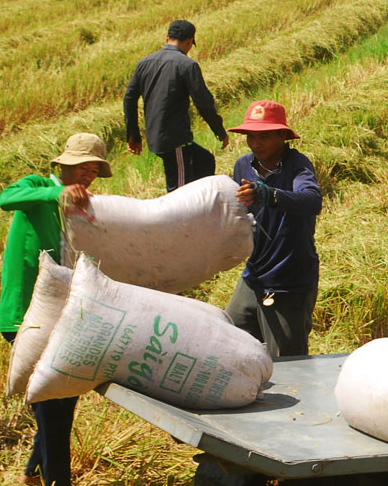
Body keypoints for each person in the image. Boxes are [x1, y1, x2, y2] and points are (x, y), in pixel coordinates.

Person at [0, 133, 109, 486]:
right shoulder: (38, 188)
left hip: (64, 318)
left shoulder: (82, 208)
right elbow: (6, 198)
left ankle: (33, 472)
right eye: (83, 167)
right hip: (25, 317)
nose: (88, 174)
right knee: (53, 409)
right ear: (63, 165)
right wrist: (54, 193)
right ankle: (58, 480)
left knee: (63, 403)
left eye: (94, 169)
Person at [224, 100, 323, 358]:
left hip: (288, 279)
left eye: (264, 136)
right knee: (227, 342)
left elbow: (312, 201)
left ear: (282, 135)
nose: (256, 143)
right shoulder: (243, 166)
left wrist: (270, 195)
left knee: (289, 365)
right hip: (254, 275)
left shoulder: (297, 165)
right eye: (251, 136)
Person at [124, 20, 229, 192]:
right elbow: (204, 103)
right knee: (179, 191)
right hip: (175, 140)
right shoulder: (187, 65)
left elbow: (129, 98)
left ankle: (202, 205)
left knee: (205, 160)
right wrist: (219, 131)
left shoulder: (145, 63)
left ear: (167, 38)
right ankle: (182, 215)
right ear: (189, 42)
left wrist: (133, 135)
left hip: (155, 136)